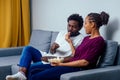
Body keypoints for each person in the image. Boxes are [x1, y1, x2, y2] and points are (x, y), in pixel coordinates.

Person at [25, 11, 109, 80]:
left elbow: (84, 62)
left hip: (77, 69)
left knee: (36, 77)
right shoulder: (87, 38)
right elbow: (76, 54)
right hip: (70, 64)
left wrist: (61, 64)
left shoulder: (99, 41)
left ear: (93, 24)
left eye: (86, 23)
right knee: (32, 69)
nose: (84, 26)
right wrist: (69, 42)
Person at [6, 14, 84, 80]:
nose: (70, 29)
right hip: (48, 56)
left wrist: (69, 41)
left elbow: (74, 57)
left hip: (56, 61)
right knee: (28, 48)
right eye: (69, 25)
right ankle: (21, 73)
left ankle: (24, 74)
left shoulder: (81, 39)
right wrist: (52, 48)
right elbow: (52, 51)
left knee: (31, 68)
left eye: (74, 27)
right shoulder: (62, 33)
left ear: (79, 28)